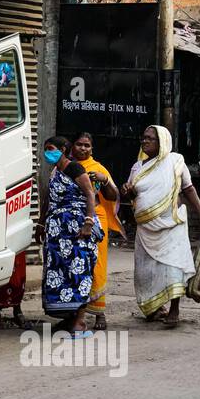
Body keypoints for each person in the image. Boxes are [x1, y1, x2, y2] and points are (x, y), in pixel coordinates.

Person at [119, 125, 200, 327]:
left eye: (150, 138)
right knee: (146, 269)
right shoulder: (137, 167)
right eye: (143, 138)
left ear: (162, 142)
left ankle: (174, 309)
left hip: (171, 224)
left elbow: (188, 188)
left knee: (172, 266)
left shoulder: (175, 161)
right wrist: (127, 190)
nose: (144, 141)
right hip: (145, 226)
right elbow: (132, 194)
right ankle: (154, 307)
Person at [36, 135, 104, 337]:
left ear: (63, 149)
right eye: (45, 149)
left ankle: (80, 322)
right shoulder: (55, 171)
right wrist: (41, 223)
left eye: (51, 148)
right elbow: (48, 198)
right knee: (60, 273)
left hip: (77, 229)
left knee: (79, 272)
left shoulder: (74, 168)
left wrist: (88, 222)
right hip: (58, 233)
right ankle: (68, 319)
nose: (48, 153)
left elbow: (90, 194)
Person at [69, 132, 124, 331]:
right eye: (79, 144)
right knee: (74, 264)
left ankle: (99, 313)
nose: (83, 148)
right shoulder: (66, 166)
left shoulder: (98, 169)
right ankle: (72, 312)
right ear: (72, 146)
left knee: (96, 265)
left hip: (96, 220)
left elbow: (111, 196)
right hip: (71, 219)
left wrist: (105, 181)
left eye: (87, 146)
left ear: (92, 149)